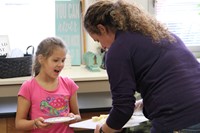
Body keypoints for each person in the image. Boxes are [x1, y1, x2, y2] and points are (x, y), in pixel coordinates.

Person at [83, 0, 200, 133]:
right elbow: (176, 80)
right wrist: (144, 102)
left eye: (98, 40)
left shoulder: (118, 49)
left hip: (178, 119)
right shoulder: (162, 35)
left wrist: (103, 130)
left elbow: (122, 109)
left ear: (101, 28)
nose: (102, 47)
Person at [15, 37, 81, 133]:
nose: (60, 64)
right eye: (55, 60)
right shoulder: (28, 87)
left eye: (63, 60)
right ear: (41, 59)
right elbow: (19, 123)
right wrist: (34, 123)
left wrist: (74, 118)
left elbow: (78, 116)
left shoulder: (69, 84)